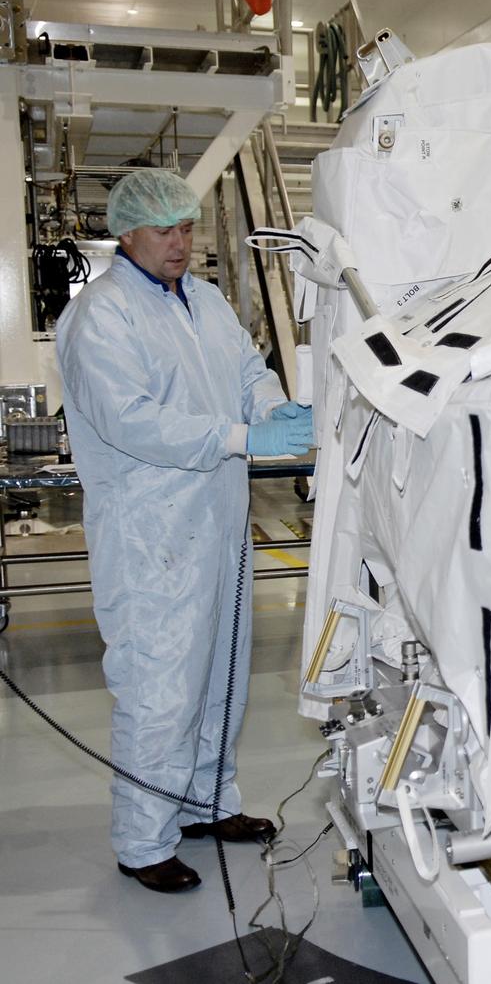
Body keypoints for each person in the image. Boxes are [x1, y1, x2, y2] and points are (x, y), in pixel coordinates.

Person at [56, 169, 313, 893]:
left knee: (222, 676)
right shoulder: (101, 316)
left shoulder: (203, 300)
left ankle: (207, 802)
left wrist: (271, 409)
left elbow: (247, 371)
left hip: (219, 521)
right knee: (161, 684)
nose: (181, 242)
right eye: (166, 230)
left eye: (189, 227)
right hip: (152, 533)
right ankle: (143, 839)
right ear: (127, 234)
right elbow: (134, 421)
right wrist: (239, 436)